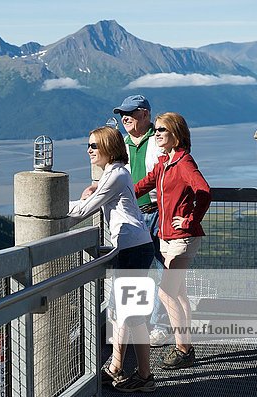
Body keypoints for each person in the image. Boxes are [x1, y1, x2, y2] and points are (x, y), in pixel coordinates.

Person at [67, 126, 156, 393]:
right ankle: (118, 368)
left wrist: (49, 210)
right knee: (124, 314)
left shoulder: (116, 175)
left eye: (94, 145)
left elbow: (84, 210)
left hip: (133, 250)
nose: (89, 150)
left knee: (133, 316)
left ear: (107, 147)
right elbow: (92, 200)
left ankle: (145, 376)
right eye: (89, 145)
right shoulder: (114, 173)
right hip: (133, 248)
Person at [133, 112, 212, 369]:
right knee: (178, 292)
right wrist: (107, 190)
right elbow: (142, 186)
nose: (156, 134)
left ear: (175, 134)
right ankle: (185, 345)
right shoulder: (165, 163)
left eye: (161, 130)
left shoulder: (184, 162)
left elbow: (204, 191)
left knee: (166, 291)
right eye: (155, 129)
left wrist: (189, 220)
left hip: (182, 238)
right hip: (167, 237)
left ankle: (183, 349)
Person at [113, 95, 172, 347]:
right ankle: (135, 324)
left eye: (130, 113)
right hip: (134, 215)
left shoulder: (159, 139)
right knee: (137, 272)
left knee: (160, 270)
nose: (124, 118)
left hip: (157, 212)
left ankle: (160, 325)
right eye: (122, 114)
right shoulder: (122, 144)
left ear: (145, 114)